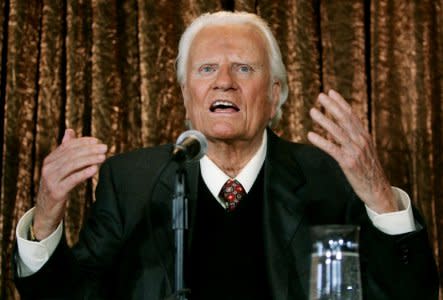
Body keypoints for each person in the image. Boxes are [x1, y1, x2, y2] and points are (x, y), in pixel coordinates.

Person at [14, 11, 438, 300]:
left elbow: (409, 293)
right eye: (206, 69)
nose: (224, 83)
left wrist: (382, 199)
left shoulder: (328, 177)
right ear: (185, 94)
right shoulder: (131, 182)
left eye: (244, 68)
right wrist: (48, 216)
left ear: (274, 96)